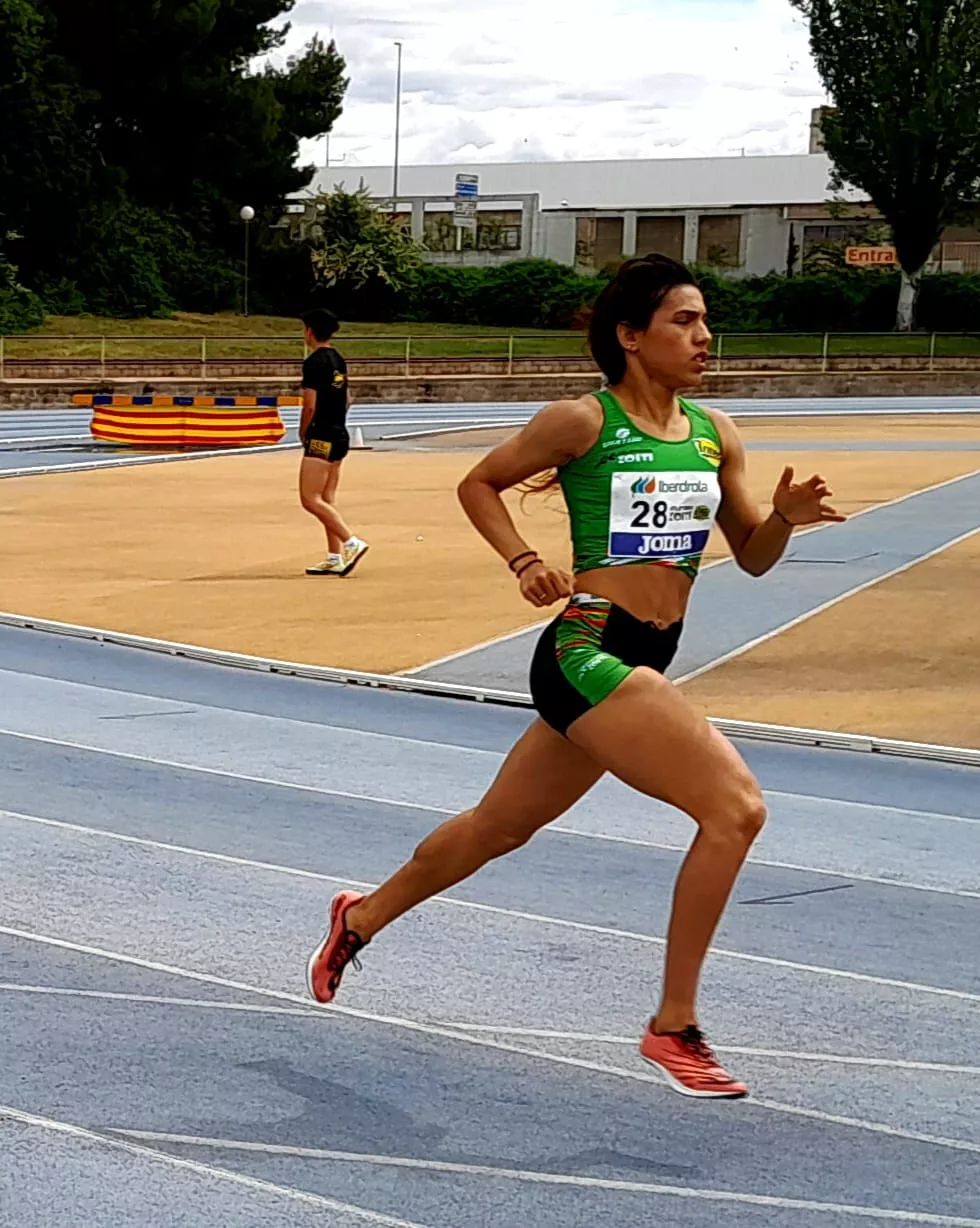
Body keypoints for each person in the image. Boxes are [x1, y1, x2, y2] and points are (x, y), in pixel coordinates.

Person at [305, 255, 845, 1099]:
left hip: (646, 654)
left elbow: (753, 556)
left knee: (496, 828)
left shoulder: (716, 434)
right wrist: (524, 560)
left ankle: (360, 917)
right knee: (736, 810)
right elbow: (479, 483)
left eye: (706, 321)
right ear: (630, 336)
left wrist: (782, 517)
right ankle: (674, 1025)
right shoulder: (582, 421)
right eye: (684, 321)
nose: (705, 337)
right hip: (586, 649)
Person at [299, 308, 369, 577]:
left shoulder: (313, 362)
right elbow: (347, 398)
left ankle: (350, 541)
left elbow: (310, 404)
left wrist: (304, 431)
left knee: (310, 498)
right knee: (327, 497)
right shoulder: (338, 359)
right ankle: (334, 556)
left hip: (321, 436)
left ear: (309, 331)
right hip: (339, 433)